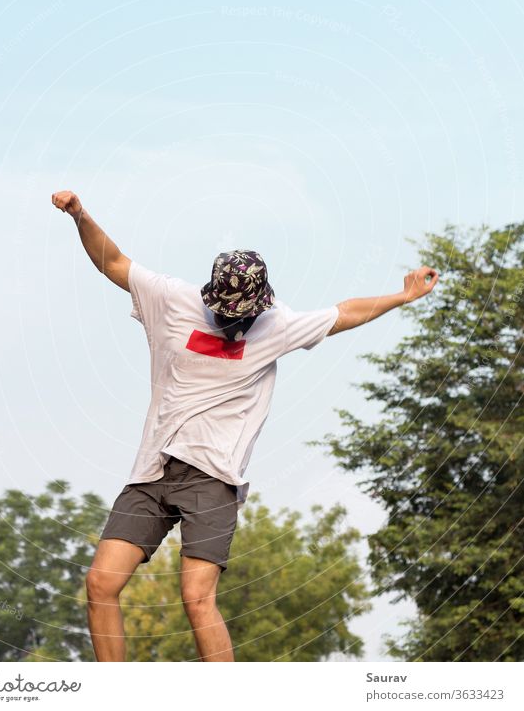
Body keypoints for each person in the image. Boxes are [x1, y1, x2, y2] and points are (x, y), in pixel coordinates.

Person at [51, 189, 439, 662]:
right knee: (100, 582)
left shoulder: (276, 324)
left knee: (196, 597)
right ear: (210, 296)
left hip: (213, 477)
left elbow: (343, 313)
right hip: (153, 468)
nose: (235, 323)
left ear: (261, 305)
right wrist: (80, 215)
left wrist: (404, 295)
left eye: (245, 316)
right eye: (226, 314)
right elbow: (114, 263)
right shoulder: (173, 298)